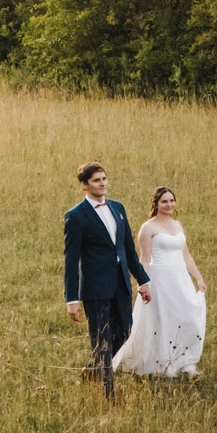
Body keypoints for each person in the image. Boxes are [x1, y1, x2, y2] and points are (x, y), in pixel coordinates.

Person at [63, 161, 151, 394]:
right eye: (96, 180)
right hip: (95, 289)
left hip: (121, 285)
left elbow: (128, 250)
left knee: (124, 334)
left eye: (104, 179)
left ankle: (93, 370)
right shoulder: (76, 216)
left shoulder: (118, 208)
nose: (102, 184)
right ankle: (108, 393)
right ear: (85, 185)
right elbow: (70, 262)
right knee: (102, 341)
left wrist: (143, 280)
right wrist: (71, 300)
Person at [112, 186, 208, 378]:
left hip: (180, 278)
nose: (169, 204)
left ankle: (184, 361)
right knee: (163, 319)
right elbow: (144, 259)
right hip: (160, 278)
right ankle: (162, 362)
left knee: (187, 317)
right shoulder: (148, 228)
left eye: (172, 200)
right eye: (164, 201)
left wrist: (198, 277)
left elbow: (185, 254)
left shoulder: (178, 225)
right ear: (156, 204)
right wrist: (143, 283)